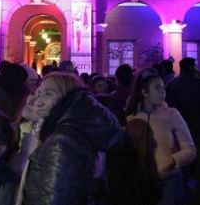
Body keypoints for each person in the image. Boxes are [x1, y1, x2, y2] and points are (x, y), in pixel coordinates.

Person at [18, 72, 123, 205]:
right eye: (37, 92)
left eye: (48, 93)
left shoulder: (61, 144)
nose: (36, 99)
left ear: (66, 100)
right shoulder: (47, 133)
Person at [125, 68, 196, 205]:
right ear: (144, 92)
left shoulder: (172, 114)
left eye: (163, 87)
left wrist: (173, 160)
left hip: (168, 181)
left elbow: (190, 149)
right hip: (140, 182)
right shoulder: (131, 117)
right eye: (157, 88)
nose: (163, 92)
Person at [165, 57, 200, 205]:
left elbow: (168, 108)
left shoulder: (172, 85)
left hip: (178, 132)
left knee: (182, 168)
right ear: (193, 67)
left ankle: (183, 198)